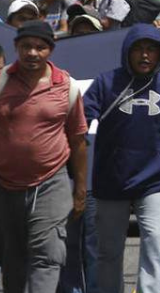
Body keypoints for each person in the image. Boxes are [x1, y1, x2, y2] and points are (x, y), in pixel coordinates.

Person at [82, 25, 160, 293]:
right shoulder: (106, 83)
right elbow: (79, 122)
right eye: (138, 49)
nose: (144, 55)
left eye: (151, 49)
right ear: (127, 52)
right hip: (110, 182)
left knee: (154, 245)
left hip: (154, 183)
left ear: (159, 54)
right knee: (109, 252)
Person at [0, 21, 87, 293]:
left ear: (50, 50)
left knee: (47, 258)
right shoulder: (1, 82)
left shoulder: (67, 87)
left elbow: (78, 140)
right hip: (6, 187)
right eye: (26, 46)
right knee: (12, 264)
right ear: (16, 47)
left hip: (51, 183)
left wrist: (80, 191)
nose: (33, 53)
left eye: (40, 47)